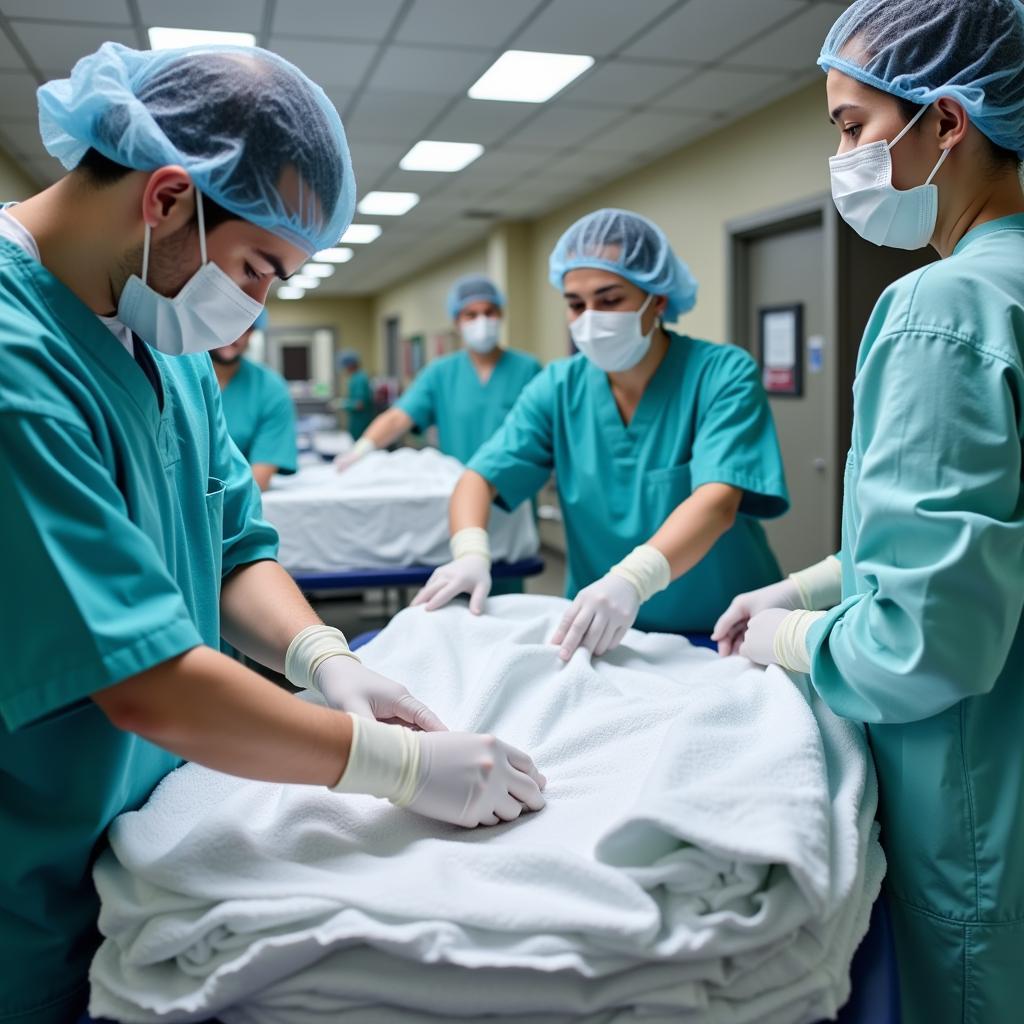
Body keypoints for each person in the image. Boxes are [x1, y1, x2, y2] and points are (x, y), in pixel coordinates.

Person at [0, 43, 544, 1023]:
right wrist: (396, 768)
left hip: (151, 834)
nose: (256, 305)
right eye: (258, 266)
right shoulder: (15, 362)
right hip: (31, 857)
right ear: (167, 197)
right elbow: (146, 678)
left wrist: (322, 655)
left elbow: (234, 544)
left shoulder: (154, 333)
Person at [712, 2, 1024, 1020]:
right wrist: (804, 580)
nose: (840, 154)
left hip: (975, 808)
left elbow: (918, 643)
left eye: (851, 126)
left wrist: (782, 635)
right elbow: (982, 533)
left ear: (946, 123)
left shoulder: (944, 309)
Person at [415, 209, 789, 660]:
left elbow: (717, 503)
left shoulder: (722, 374)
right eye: (576, 304)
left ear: (658, 299)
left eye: (610, 300)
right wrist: (471, 553)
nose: (590, 318)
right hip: (608, 635)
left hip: (726, 629)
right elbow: (479, 477)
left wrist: (632, 579)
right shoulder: (559, 387)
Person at [334, 273, 541, 468]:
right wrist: (360, 450)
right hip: (458, 485)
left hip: (514, 491)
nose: (482, 321)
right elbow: (398, 417)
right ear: (457, 322)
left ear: (500, 314)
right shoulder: (440, 373)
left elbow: (547, 431)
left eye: (489, 313)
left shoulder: (528, 369)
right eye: (471, 315)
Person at [211, 308, 297, 490]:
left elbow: (259, 480)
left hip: (234, 504)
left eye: (245, 327)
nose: (234, 334)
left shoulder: (270, 388)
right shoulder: (172, 379)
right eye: (225, 324)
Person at [337, 348, 374, 440]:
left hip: (361, 422)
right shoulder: (356, 377)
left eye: (345, 366)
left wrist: (344, 404)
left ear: (350, 365)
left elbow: (359, 405)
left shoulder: (359, 379)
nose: (344, 369)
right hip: (357, 421)